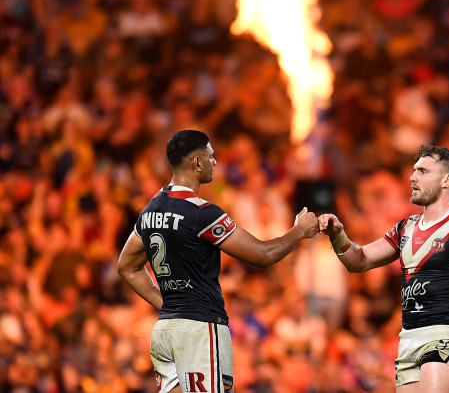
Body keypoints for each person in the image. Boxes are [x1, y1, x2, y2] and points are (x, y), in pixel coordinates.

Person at [117, 130, 319, 393]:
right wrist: (299, 230)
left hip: (166, 329)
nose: (216, 162)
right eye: (211, 156)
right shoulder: (201, 213)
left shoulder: (150, 210)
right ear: (196, 163)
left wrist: (165, 303)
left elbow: (127, 266)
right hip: (201, 330)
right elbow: (263, 254)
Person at [318, 145, 449, 392]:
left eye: (423, 171)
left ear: (447, 180)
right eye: (414, 171)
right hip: (409, 339)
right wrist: (338, 234)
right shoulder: (404, 228)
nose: (412, 177)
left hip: (445, 334)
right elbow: (358, 261)